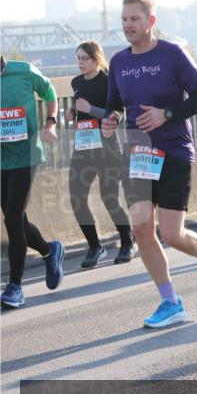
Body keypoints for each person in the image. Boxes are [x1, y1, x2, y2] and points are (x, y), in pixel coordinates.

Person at [101, 0, 197, 328]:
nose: (128, 25)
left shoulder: (172, 55)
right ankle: (170, 302)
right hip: (140, 153)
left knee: (172, 235)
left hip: (174, 150)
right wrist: (111, 118)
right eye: (124, 20)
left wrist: (166, 114)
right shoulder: (119, 63)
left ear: (151, 21)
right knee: (142, 230)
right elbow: (115, 104)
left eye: (135, 19)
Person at [1, 54, 65, 308]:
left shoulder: (24, 72)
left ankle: (15, 286)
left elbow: (50, 93)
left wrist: (50, 123)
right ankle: (50, 250)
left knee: (12, 218)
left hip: (26, 157)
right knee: (17, 219)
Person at [68, 41, 135, 267]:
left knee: (109, 198)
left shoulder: (108, 82)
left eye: (85, 58)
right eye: (78, 58)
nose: (80, 62)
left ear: (96, 58)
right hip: (83, 148)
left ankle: (127, 242)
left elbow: (118, 114)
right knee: (77, 198)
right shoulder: (75, 82)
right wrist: (73, 113)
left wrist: (90, 110)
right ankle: (95, 247)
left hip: (107, 149)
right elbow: (80, 111)